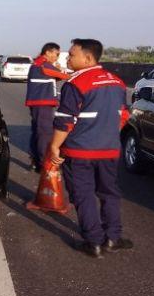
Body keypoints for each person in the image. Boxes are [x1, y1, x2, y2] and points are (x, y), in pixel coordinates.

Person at [49, 39, 133, 258]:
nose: (67, 58)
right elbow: (124, 115)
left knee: (83, 195)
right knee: (110, 193)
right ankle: (113, 237)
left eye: (71, 55)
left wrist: (54, 147)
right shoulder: (117, 82)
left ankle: (94, 242)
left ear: (87, 58)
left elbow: (65, 121)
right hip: (110, 150)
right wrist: (106, 134)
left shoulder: (75, 83)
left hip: (79, 152)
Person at [26, 42, 70, 170]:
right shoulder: (43, 65)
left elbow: (53, 78)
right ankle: (44, 163)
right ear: (48, 52)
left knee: (37, 132)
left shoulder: (38, 64)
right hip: (42, 103)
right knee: (45, 133)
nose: (57, 57)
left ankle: (35, 160)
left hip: (37, 103)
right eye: (56, 54)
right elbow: (64, 76)